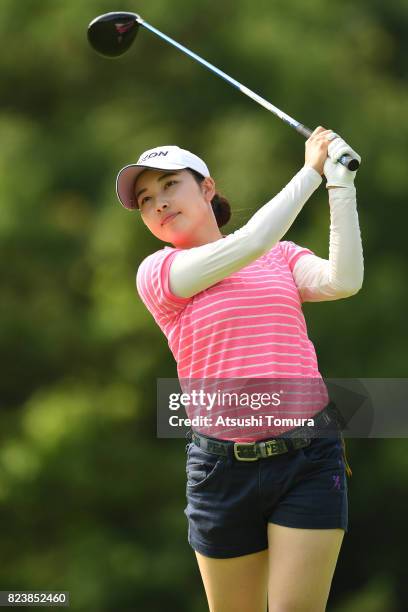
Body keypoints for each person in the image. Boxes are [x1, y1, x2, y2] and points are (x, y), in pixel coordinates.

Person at [116, 126, 363, 612]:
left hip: (307, 458)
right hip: (220, 471)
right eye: (146, 199)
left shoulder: (280, 257)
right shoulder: (159, 273)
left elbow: (344, 280)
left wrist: (340, 184)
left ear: (207, 188)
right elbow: (250, 240)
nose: (159, 203)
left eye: (170, 186)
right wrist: (310, 171)